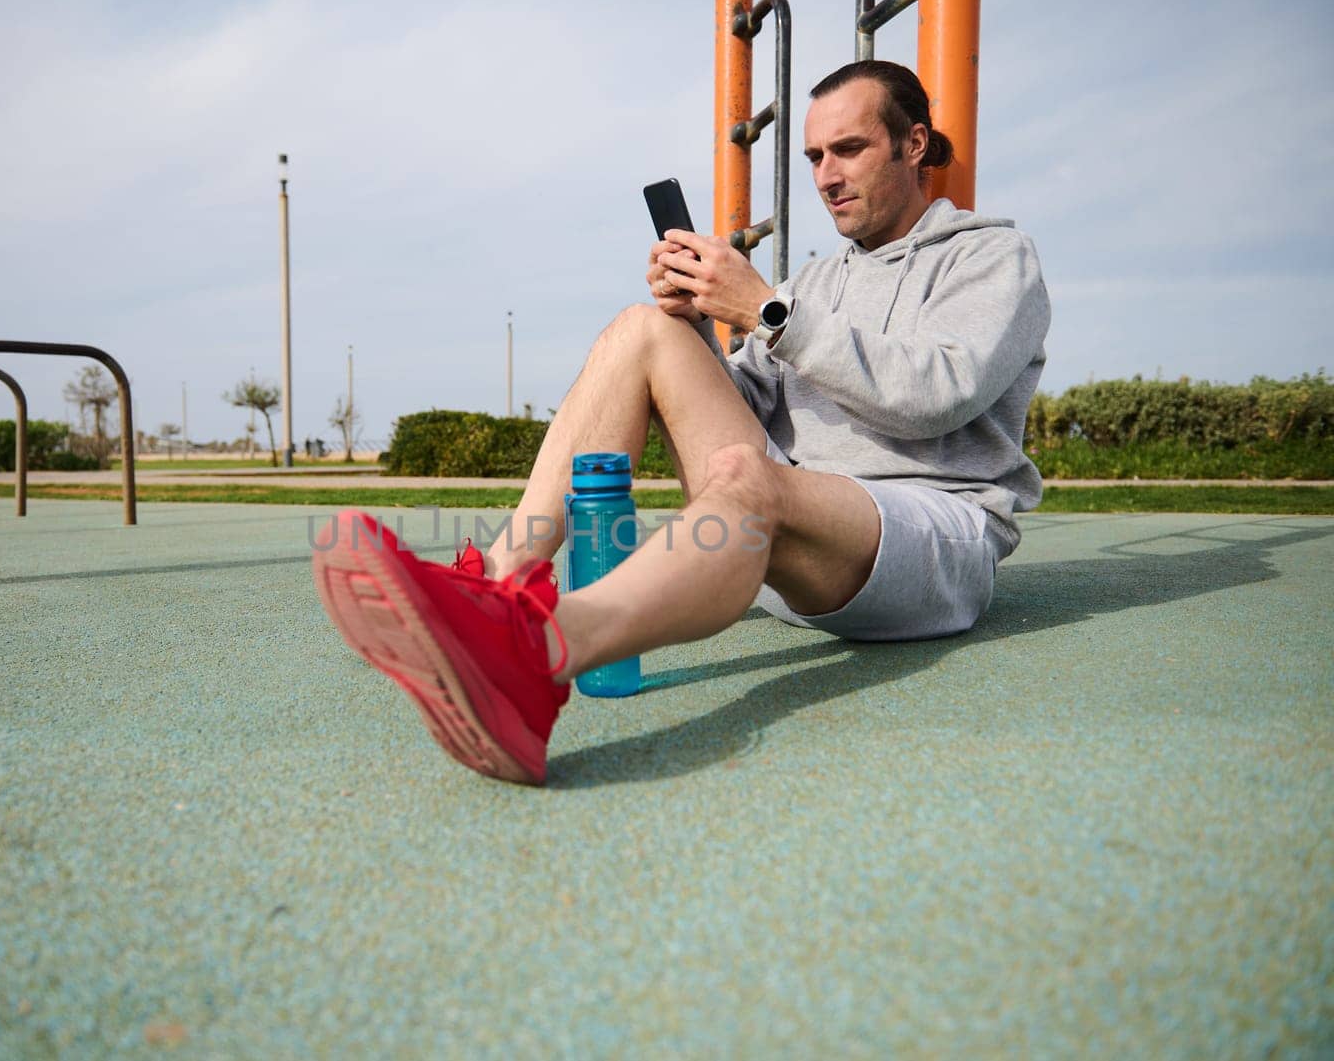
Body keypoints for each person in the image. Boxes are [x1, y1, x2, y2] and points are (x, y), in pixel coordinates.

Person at [311, 61, 1050, 786]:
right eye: (815, 156)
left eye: (849, 150)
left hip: (924, 538)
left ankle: (532, 655)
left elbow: (937, 393)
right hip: (783, 518)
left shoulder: (992, 257)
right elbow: (754, 407)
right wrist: (700, 323)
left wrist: (764, 309)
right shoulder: (822, 280)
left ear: (914, 144)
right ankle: (495, 589)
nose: (826, 176)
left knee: (750, 479)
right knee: (642, 330)